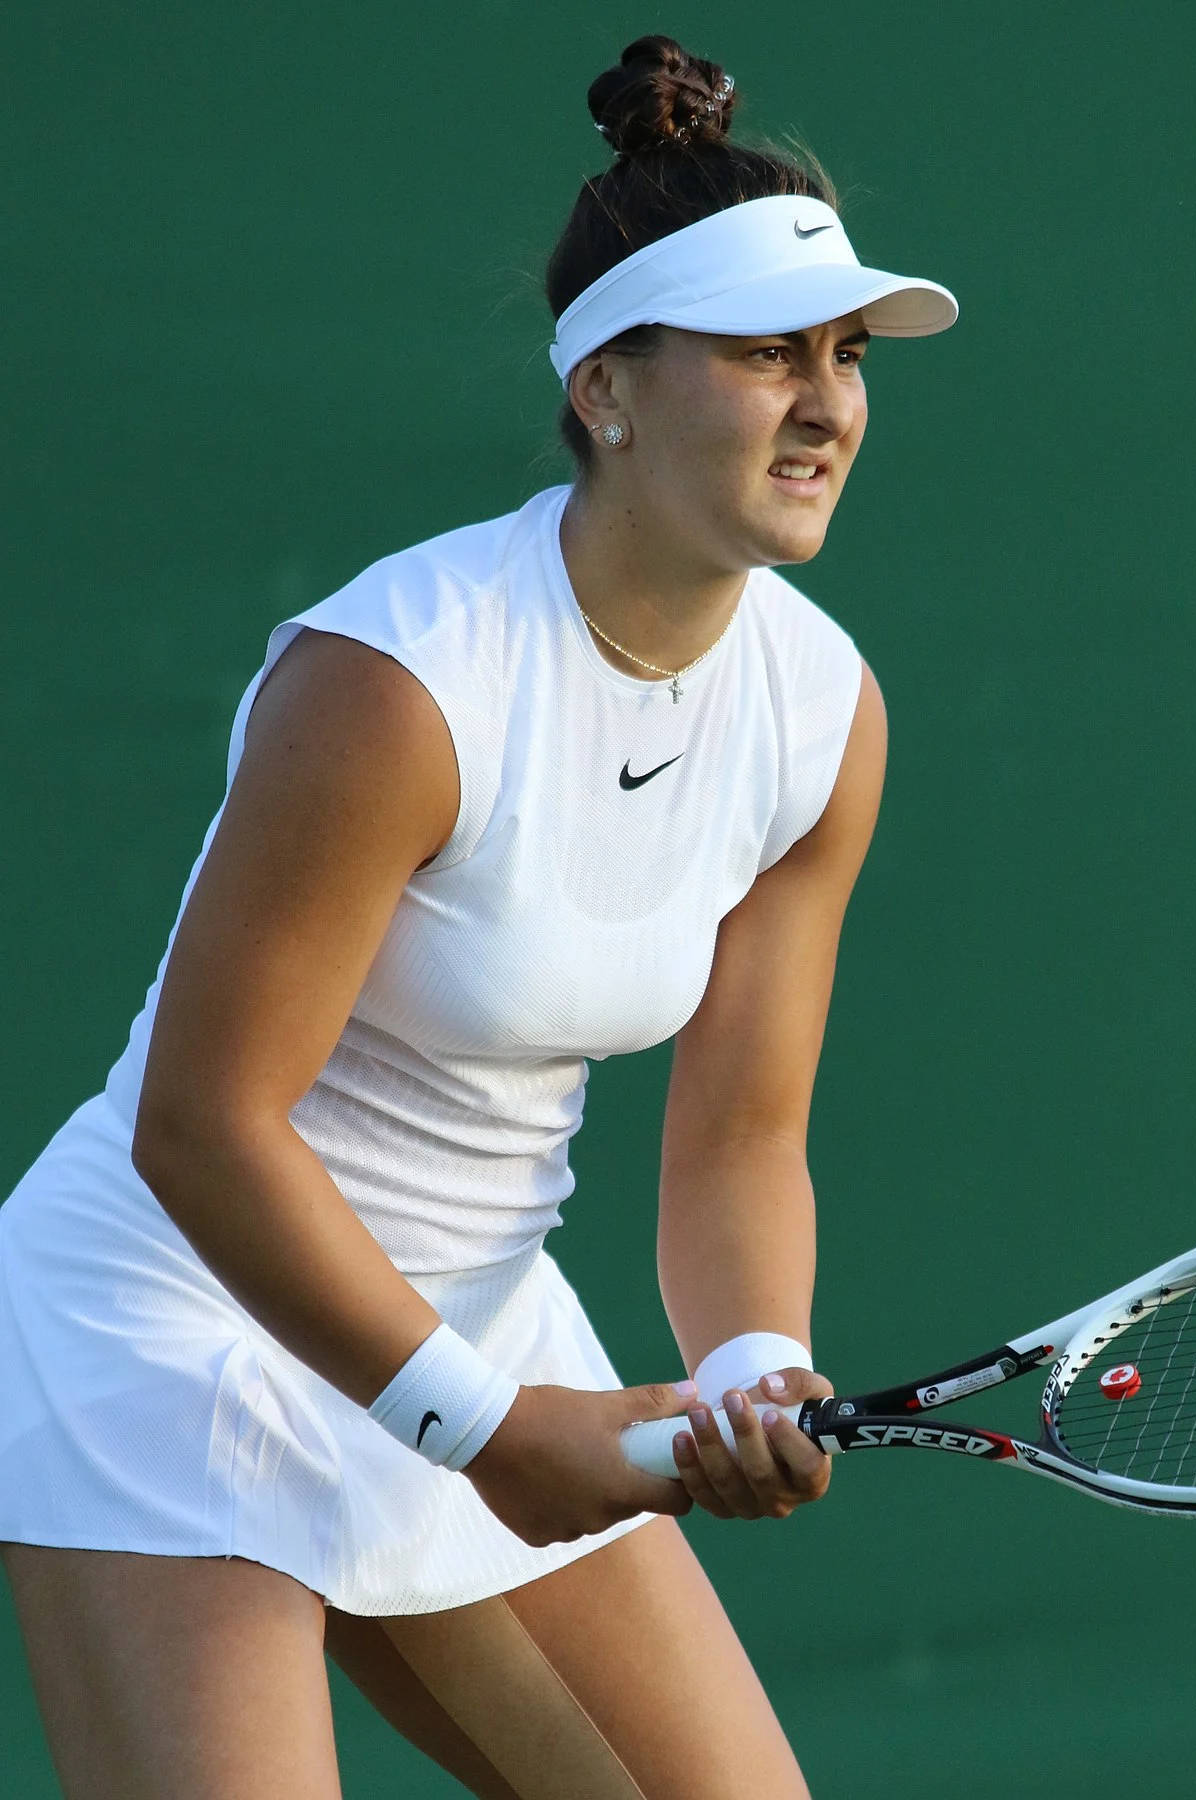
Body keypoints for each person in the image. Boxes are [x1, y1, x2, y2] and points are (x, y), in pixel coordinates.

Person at [0, 33, 957, 1800]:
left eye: (844, 356)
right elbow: (200, 1131)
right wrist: (479, 1428)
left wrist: (755, 1368)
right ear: (605, 388)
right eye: (766, 355)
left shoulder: (826, 713)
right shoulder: (400, 685)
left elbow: (742, 1136)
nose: (828, 402)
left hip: (490, 1320)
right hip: (178, 1325)